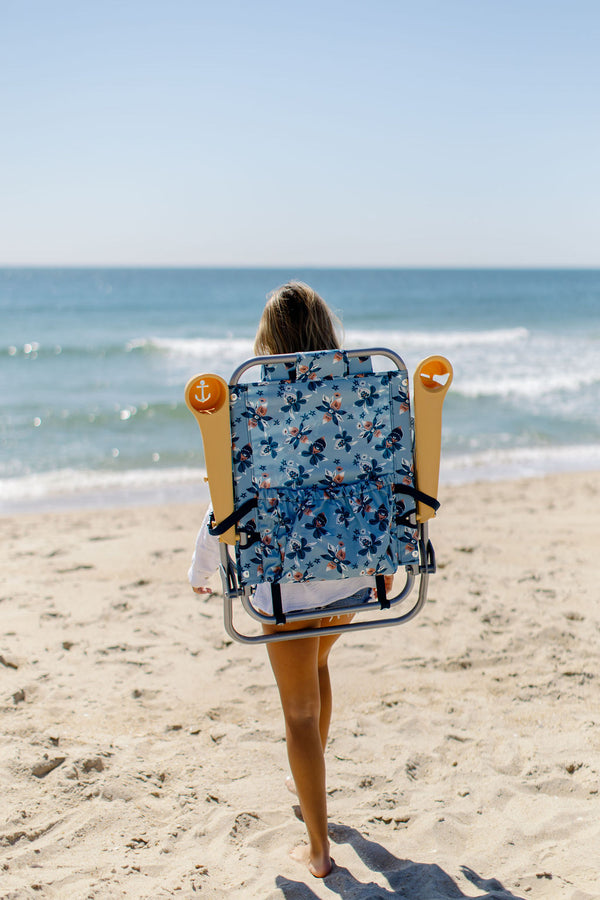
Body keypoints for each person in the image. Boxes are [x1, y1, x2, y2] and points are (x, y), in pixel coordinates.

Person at [189, 282, 393, 878]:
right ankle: (312, 777)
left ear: (267, 340)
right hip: (352, 573)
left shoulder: (255, 402)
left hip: (287, 584)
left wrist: (203, 567)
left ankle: (319, 849)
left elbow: (228, 499)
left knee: (299, 713)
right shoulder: (361, 398)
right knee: (319, 666)